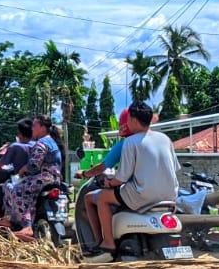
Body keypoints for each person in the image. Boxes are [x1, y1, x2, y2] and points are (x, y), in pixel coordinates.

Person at [91, 102, 179, 257]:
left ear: (133, 120)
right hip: (170, 196)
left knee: (102, 198)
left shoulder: (130, 142)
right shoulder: (165, 138)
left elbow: (121, 177)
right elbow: (174, 168)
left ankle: (108, 242)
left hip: (142, 195)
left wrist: (109, 183)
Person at [76, 108, 135, 252]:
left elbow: (102, 167)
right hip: (166, 194)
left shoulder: (125, 144)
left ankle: (104, 242)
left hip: (136, 192)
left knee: (92, 198)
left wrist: (85, 174)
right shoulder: (159, 141)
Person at [3, 114, 65, 239]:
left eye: (34, 126)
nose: (32, 129)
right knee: (23, 188)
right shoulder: (51, 141)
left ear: (42, 128)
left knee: (16, 189)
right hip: (53, 179)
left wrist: (22, 170)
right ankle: (12, 221)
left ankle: (26, 226)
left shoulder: (42, 142)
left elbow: (33, 165)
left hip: (44, 178)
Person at [0, 120, 34, 225]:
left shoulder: (15, 146)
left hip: (21, 180)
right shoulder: (38, 145)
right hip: (35, 181)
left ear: (20, 133)